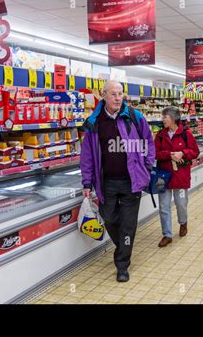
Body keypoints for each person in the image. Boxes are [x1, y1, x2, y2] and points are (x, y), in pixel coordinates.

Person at [80, 80, 155, 282]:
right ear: (103, 95)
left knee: (128, 225)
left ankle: (122, 265)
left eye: (120, 93)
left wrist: (146, 166)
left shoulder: (134, 116)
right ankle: (124, 247)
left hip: (132, 180)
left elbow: (148, 140)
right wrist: (87, 182)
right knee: (110, 219)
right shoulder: (94, 122)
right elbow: (86, 155)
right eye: (113, 94)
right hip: (107, 182)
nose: (117, 97)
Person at [155, 107, 200, 247]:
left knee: (181, 204)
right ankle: (167, 235)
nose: (163, 119)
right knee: (163, 206)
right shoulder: (160, 135)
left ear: (173, 118)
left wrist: (182, 153)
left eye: (165, 117)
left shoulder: (186, 134)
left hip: (180, 175)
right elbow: (155, 153)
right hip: (163, 176)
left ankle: (183, 222)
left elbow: (195, 152)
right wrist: (169, 155)